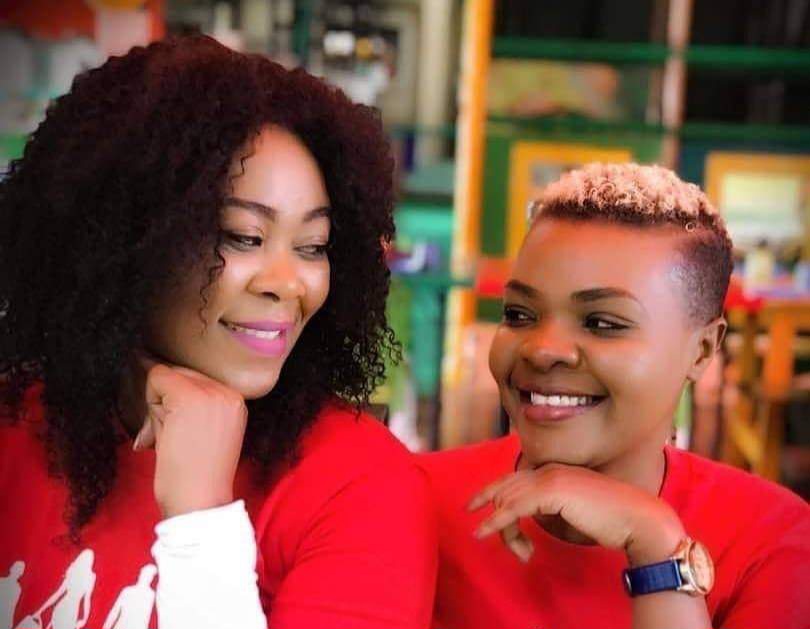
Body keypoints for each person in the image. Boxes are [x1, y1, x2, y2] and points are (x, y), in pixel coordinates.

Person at [0, 35, 436, 629]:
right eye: (244, 237)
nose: (289, 283)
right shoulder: (17, 429)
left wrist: (199, 519)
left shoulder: (358, 486)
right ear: (129, 239)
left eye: (313, 246)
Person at [418, 163, 810, 629]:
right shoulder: (413, 499)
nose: (543, 349)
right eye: (520, 314)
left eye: (602, 323)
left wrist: (656, 546)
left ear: (703, 350)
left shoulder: (774, 539)